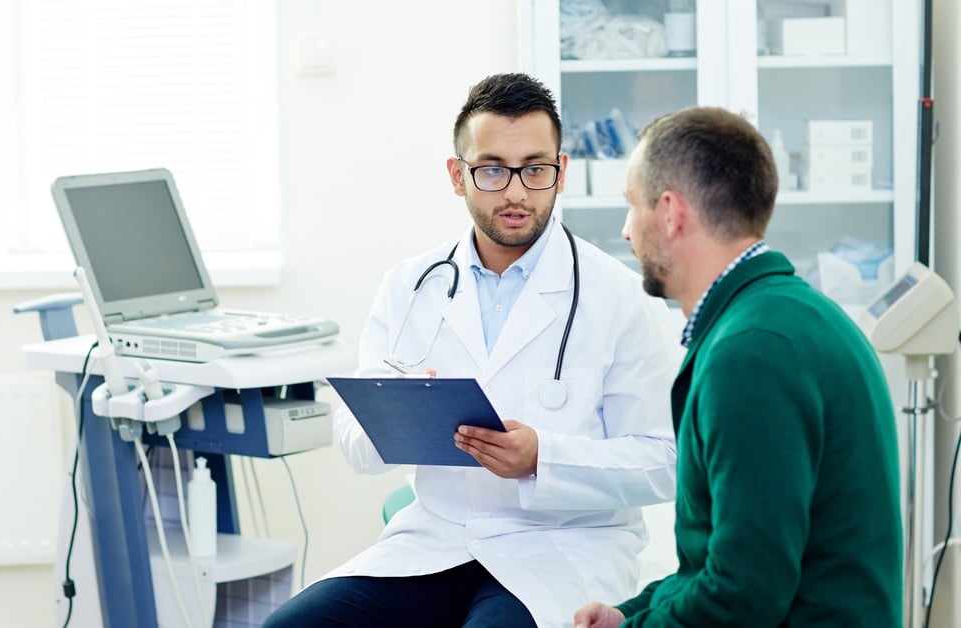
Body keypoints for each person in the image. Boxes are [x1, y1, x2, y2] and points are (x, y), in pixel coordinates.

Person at [263, 73, 682, 627]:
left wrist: (543, 458)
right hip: (436, 541)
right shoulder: (409, 286)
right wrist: (397, 411)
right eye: (491, 169)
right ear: (457, 176)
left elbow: (664, 460)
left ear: (561, 172)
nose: (515, 191)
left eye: (534, 169)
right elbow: (354, 445)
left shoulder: (621, 296)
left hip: (562, 548)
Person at [573, 106, 902, 627]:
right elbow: (720, 564)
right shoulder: (789, 316)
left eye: (631, 206)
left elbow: (743, 595)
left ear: (670, 212)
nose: (626, 231)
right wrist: (628, 614)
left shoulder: (752, 353)